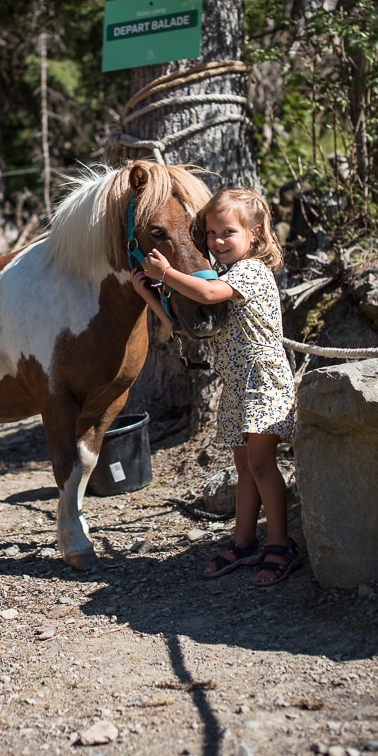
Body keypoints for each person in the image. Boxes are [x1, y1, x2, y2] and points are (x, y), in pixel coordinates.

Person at [131, 186, 298, 588]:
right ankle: (242, 542)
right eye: (209, 233)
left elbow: (206, 293)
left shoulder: (251, 272)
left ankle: (279, 543)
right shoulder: (225, 273)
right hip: (239, 385)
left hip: (262, 382)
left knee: (261, 465)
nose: (216, 241)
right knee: (244, 467)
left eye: (227, 233)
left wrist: (166, 274)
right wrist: (149, 295)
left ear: (255, 234)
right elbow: (183, 327)